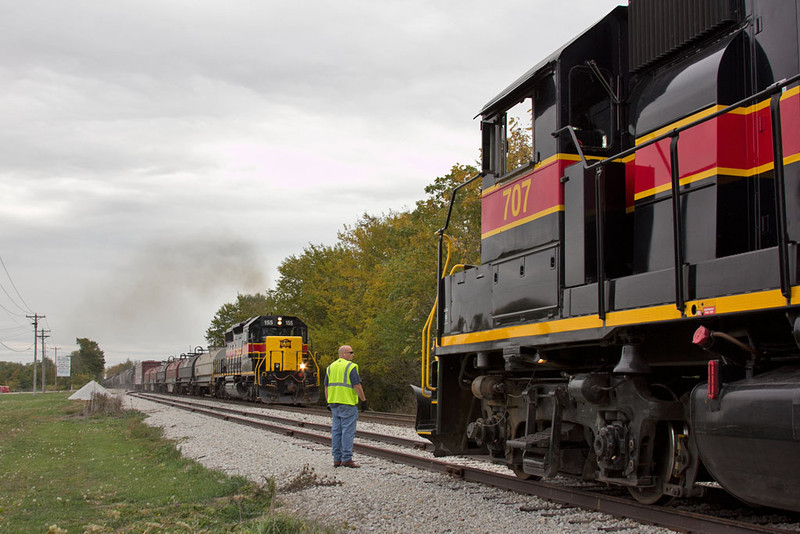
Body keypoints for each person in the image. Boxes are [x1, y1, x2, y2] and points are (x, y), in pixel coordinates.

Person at [325, 345, 367, 468]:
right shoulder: (351, 367)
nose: (353, 355)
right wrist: (363, 400)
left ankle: (336, 459)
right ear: (343, 354)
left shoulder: (330, 367)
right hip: (348, 403)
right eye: (351, 352)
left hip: (334, 404)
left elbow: (326, 386)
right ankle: (347, 459)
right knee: (347, 431)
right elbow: (357, 385)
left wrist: (328, 401)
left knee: (336, 431)